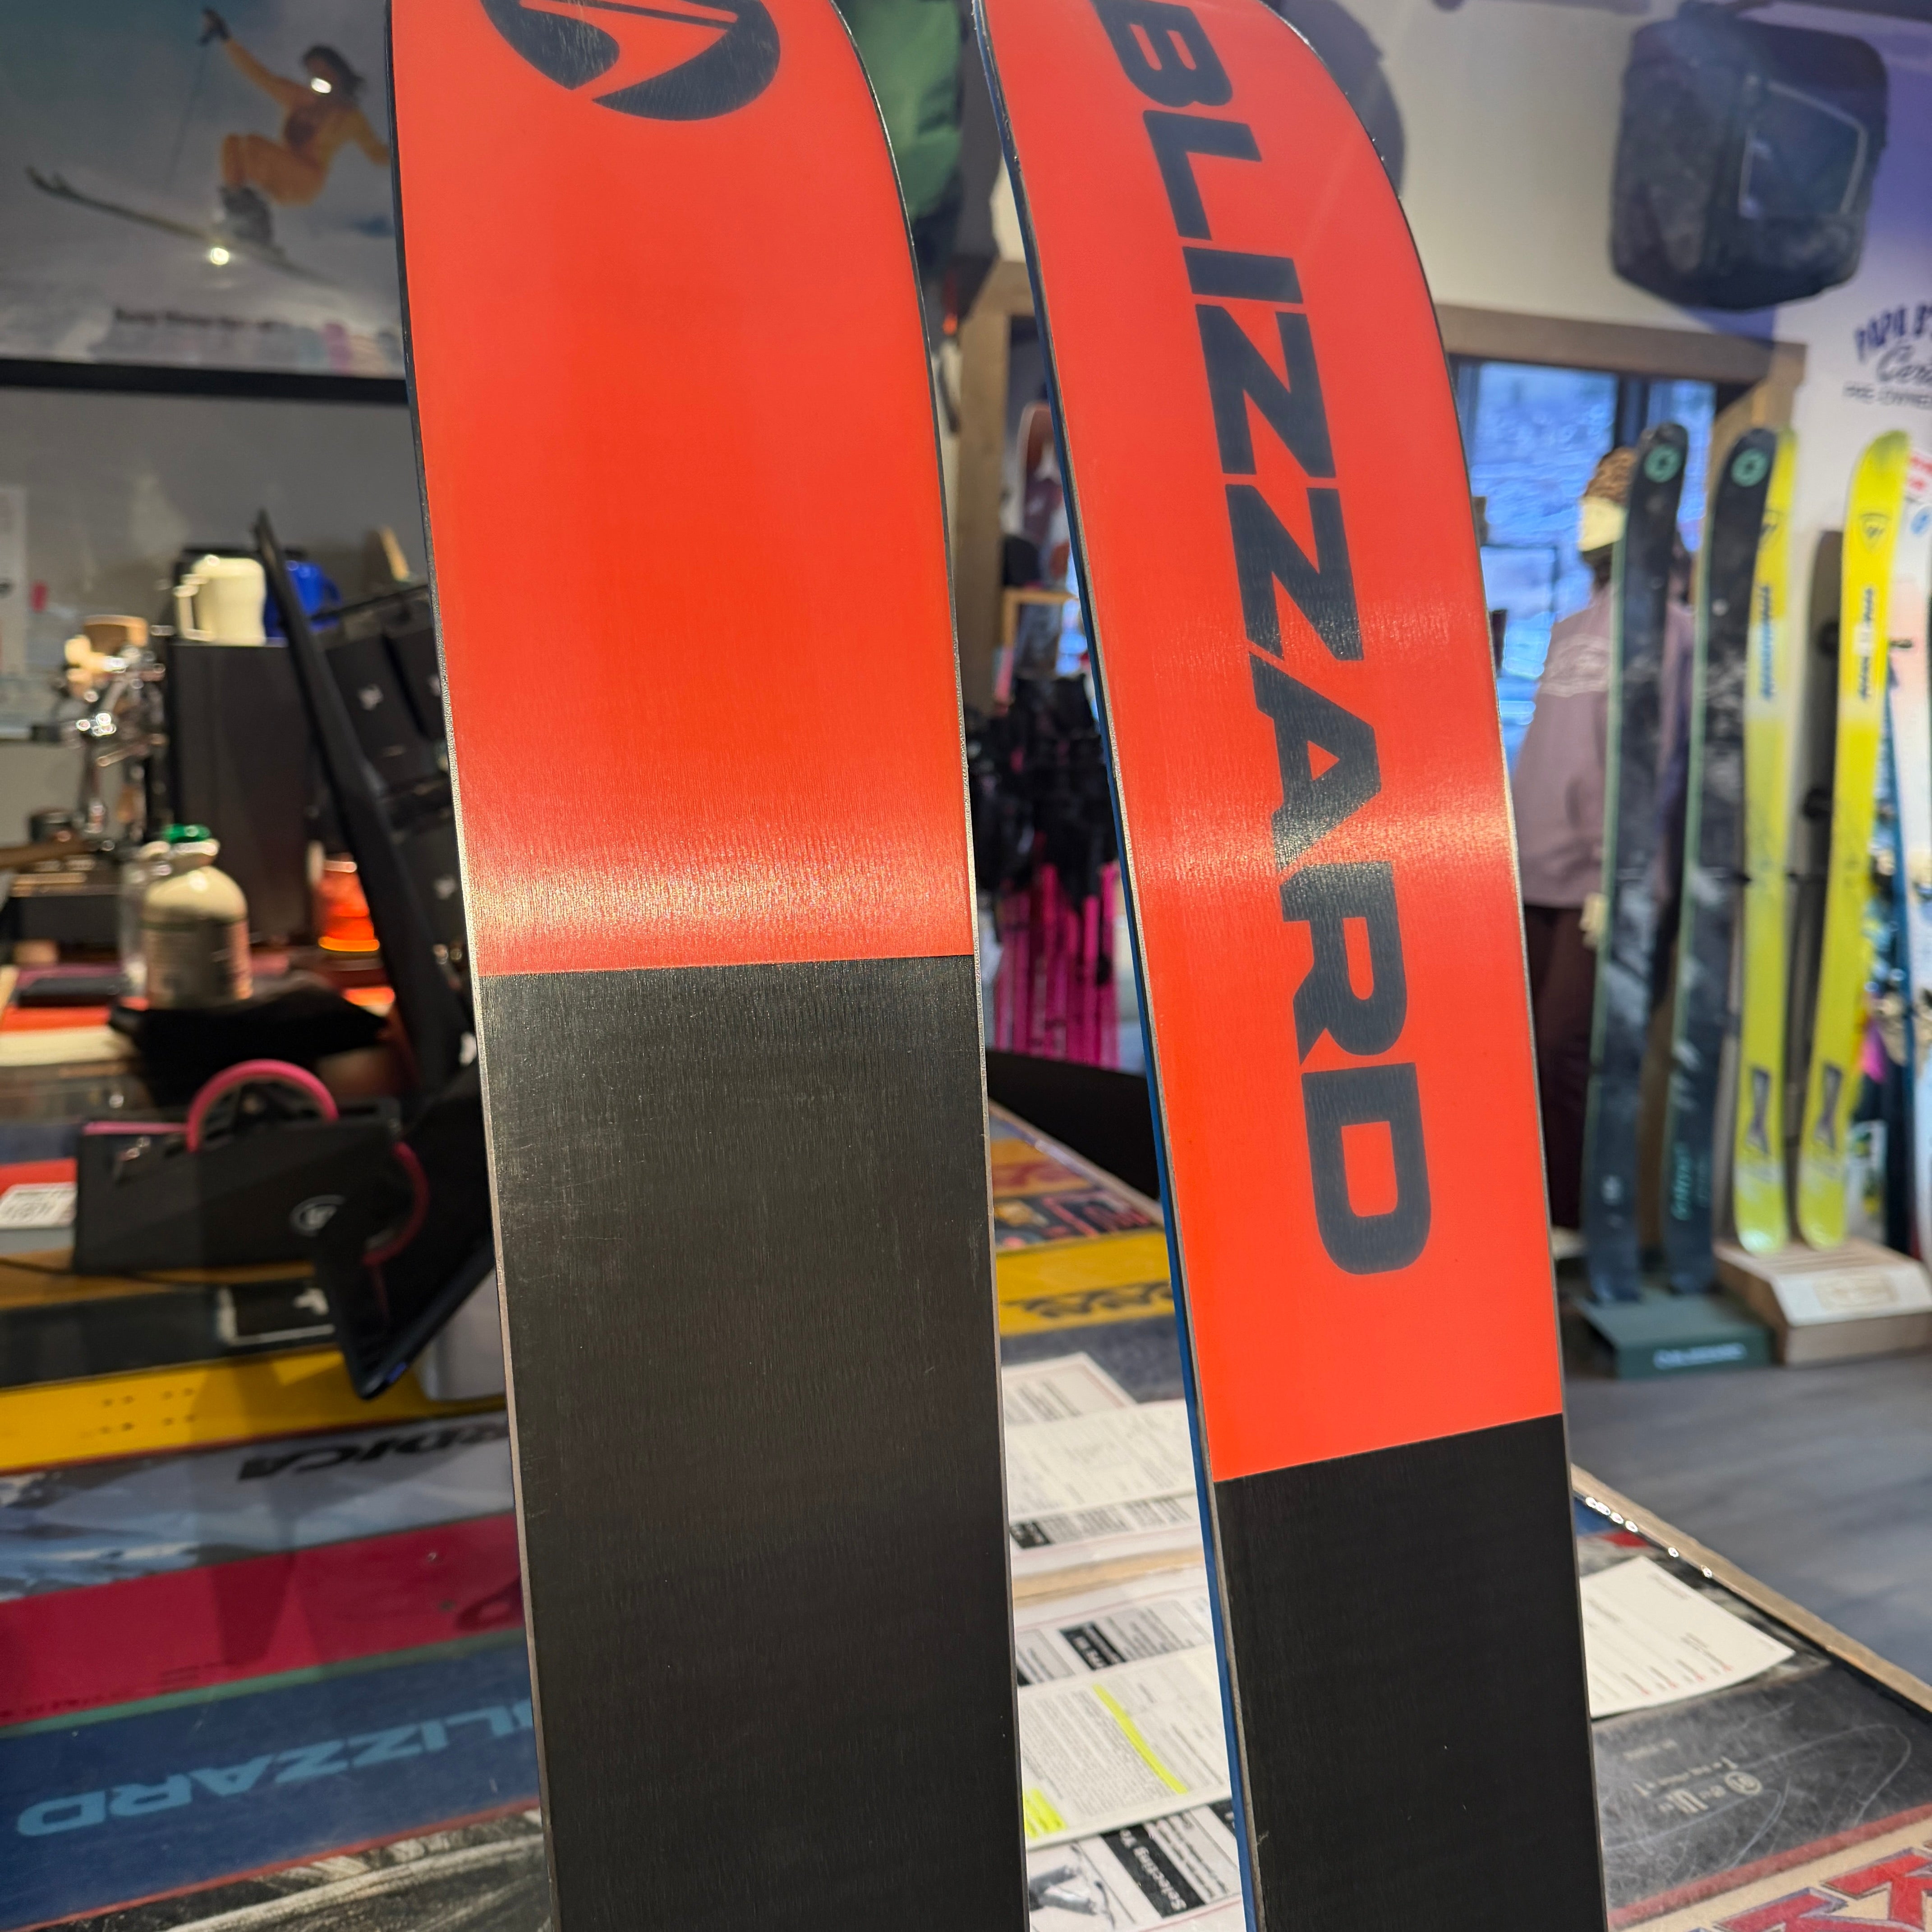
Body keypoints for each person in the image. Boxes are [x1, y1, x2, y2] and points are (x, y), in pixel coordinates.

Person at [1511, 448, 1693, 1237]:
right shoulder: (1566, 629)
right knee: (1519, 1050)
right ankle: (1520, 1210)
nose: (1587, 516)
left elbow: (1660, 764)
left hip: (1599, 882)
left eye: (1606, 504)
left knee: (1565, 1053)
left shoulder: (1673, 632)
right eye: (1587, 502)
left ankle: (1566, 1224)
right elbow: (1546, 751)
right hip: (1528, 871)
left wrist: (1619, 878)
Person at [199, 10, 390, 248]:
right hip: (279, 170)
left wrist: (412, 153)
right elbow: (259, 75)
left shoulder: (350, 118)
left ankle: (252, 220)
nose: (319, 79)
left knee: (252, 144)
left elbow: (377, 153)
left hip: (306, 179)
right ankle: (242, 214)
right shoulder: (299, 98)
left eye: (324, 73)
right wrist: (226, 39)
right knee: (233, 143)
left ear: (338, 75)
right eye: (313, 74)